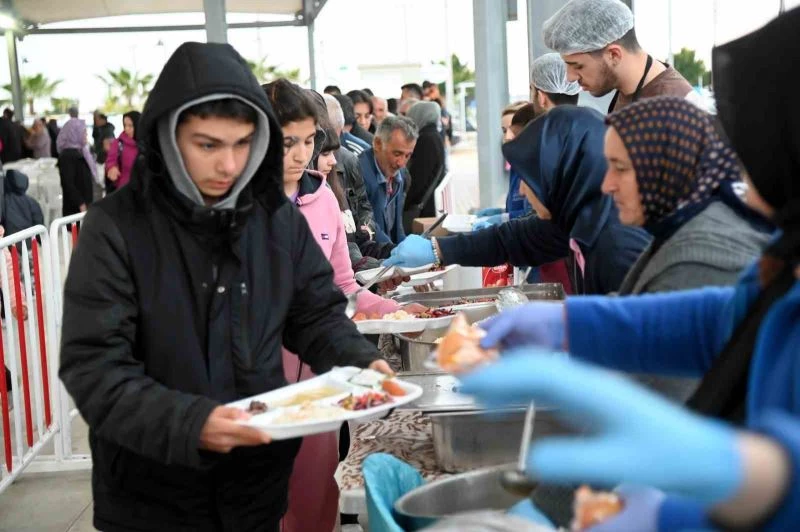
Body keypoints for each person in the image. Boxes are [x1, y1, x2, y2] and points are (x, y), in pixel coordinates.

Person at [468, 10, 800, 531]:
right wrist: (570, 325)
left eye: (749, 143)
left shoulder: (708, 248)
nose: (735, 161)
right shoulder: (783, 254)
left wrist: (689, 509)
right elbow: (722, 320)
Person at [58, 42, 392, 532]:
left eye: (242, 144)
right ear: (168, 137)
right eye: (207, 145)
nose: (229, 165)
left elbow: (316, 314)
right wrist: (190, 423)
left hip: (254, 491)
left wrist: (359, 360)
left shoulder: (275, 219)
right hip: (151, 499)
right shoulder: (117, 228)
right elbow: (94, 367)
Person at [265, 79, 415, 532]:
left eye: (308, 141)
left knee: (315, 499)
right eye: (286, 142)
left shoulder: (324, 200)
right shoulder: (233, 210)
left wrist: (398, 313)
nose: (300, 154)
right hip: (254, 383)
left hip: (317, 382)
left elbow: (343, 288)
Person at [387, 106, 651, 295]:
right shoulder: (578, 220)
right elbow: (512, 239)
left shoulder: (618, 245)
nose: (522, 191)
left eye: (529, 178)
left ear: (559, 175)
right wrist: (437, 249)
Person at [474, 54, 580, 229]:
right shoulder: (586, 133)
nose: (522, 190)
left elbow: (540, 218)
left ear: (541, 97)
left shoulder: (541, 146)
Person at [543, 0, 705, 113]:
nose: (569, 78)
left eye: (578, 66)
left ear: (614, 55)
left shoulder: (678, 109)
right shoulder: (627, 90)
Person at [359, 116, 418, 245]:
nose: (402, 163)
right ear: (378, 144)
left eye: (407, 156)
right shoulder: (359, 173)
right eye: (397, 154)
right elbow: (368, 228)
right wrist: (396, 250)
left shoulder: (400, 173)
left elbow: (397, 228)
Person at [403, 100, 445, 229]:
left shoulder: (426, 139)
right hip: (428, 205)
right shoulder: (434, 135)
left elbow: (418, 179)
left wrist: (404, 203)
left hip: (423, 211)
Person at [56, 113, 96, 215]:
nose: (86, 135)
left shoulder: (81, 151)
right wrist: (80, 203)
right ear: (74, 134)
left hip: (84, 204)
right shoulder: (67, 156)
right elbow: (68, 183)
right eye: (84, 132)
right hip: (75, 208)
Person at [104, 110, 140, 192]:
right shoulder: (119, 142)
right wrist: (111, 167)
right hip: (125, 189)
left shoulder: (146, 142)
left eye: (130, 126)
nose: (126, 129)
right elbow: (111, 159)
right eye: (125, 125)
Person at [2, 169, 44, 236]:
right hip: (29, 240)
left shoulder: (3, 201)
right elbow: (38, 224)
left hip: (10, 241)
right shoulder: (32, 202)